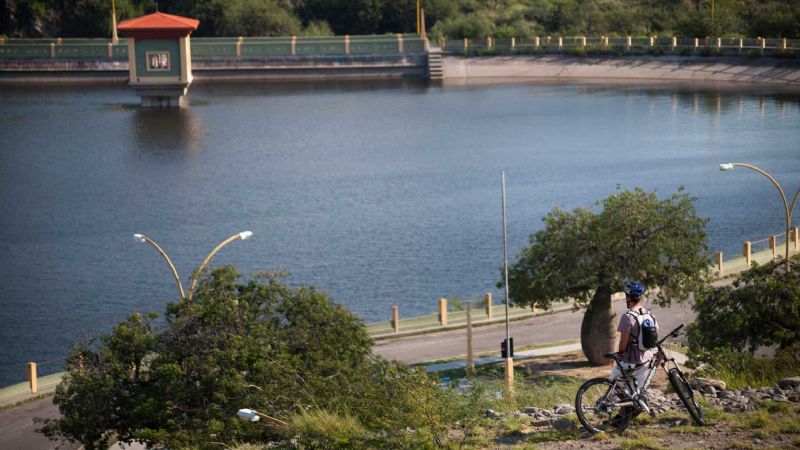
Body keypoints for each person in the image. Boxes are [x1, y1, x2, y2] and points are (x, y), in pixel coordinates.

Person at [608, 280, 658, 424]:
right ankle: (622, 417)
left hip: (630, 359)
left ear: (628, 297)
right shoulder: (649, 314)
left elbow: (624, 341)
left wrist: (619, 353)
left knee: (613, 383)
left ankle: (628, 411)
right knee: (632, 390)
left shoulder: (627, 316)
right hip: (645, 358)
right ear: (640, 297)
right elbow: (655, 333)